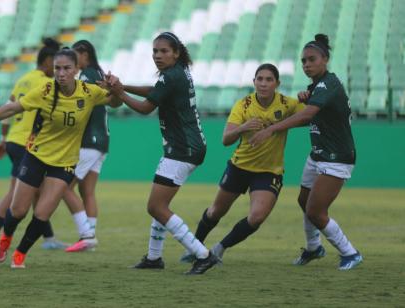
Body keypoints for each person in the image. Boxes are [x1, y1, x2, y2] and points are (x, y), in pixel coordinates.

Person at [0, 48, 121, 269]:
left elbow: (114, 102)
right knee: (18, 211)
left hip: (64, 163)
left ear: (76, 70)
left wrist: (115, 86)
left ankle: (20, 253)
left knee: (42, 213)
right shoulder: (44, 91)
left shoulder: (88, 91)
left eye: (66, 68)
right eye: (57, 68)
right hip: (36, 156)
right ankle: (5, 238)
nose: (61, 73)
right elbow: (11, 108)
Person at [107, 32, 218, 275]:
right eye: (155, 51)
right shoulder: (176, 73)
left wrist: (119, 93)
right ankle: (154, 258)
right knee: (161, 204)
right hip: (184, 146)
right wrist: (122, 85)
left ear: (176, 53)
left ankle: (203, 254)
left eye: (164, 51)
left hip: (183, 149)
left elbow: (146, 107)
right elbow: (154, 91)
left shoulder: (172, 75)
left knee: (156, 206)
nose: (158, 55)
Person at [250, 34, 362, 270]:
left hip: (337, 157)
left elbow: (306, 115)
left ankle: (350, 252)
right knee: (304, 201)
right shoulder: (317, 86)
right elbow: (309, 117)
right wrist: (275, 125)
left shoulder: (328, 83)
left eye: (311, 59)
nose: (306, 64)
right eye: (303, 61)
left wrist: (272, 130)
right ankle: (314, 248)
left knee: (315, 211)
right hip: (318, 154)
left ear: (326, 59)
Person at [179, 64, 304, 265]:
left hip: (268, 171)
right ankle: (196, 247)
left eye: (268, 79)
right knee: (215, 212)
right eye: (259, 79)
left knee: (256, 217)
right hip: (239, 167)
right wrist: (243, 128)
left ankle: (220, 248)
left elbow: (308, 115)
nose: (263, 83)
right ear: (254, 82)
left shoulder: (287, 104)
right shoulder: (243, 105)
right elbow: (226, 139)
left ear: (277, 83)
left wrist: (306, 97)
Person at [0, 38, 67, 251]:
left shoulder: (23, 80)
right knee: (17, 191)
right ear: (47, 62)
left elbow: (8, 109)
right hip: (27, 142)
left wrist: (3, 140)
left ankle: (49, 238)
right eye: (55, 64)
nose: (58, 70)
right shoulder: (45, 83)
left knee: (35, 190)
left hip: (13, 140)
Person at [62, 40, 111, 252]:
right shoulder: (98, 74)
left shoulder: (86, 76)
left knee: (63, 186)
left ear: (85, 54)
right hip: (102, 141)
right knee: (87, 191)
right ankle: (89, 236)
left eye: (75, 55)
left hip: (89, 141)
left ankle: (87, 235)